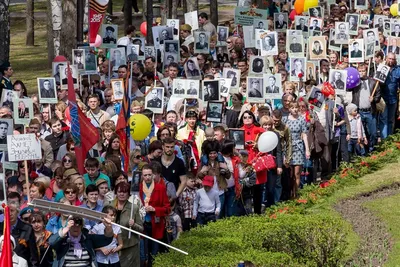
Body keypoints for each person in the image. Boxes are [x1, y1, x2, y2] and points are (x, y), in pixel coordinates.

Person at [49, 216, 114, 267]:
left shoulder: (87, 238)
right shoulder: (63, 239)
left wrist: (108, 227)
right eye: (73, 225)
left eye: (78, 225)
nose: (75, 227)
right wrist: (66, 228)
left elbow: (107, 239)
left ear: (82, 226)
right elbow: (51, 242)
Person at [139, 164, 170, 264]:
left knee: (154, 252)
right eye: (145, 175)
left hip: (156, 224)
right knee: (143, 253)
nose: (147, 177)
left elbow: (167, 209)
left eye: (149, 175)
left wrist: (154, 209)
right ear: (142, 176)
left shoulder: (160, 188)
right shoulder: (137, 189)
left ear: (153, 175)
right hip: (142, 224)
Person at [107, 182, 142, 267]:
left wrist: (133, 225)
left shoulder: (134, 208)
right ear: (116, 193)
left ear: (128, 194)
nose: (122, 194)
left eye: (124, 192)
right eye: (119, 192)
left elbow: (141, 229)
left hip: (129, 246)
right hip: (113, 245)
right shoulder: (110, 206)